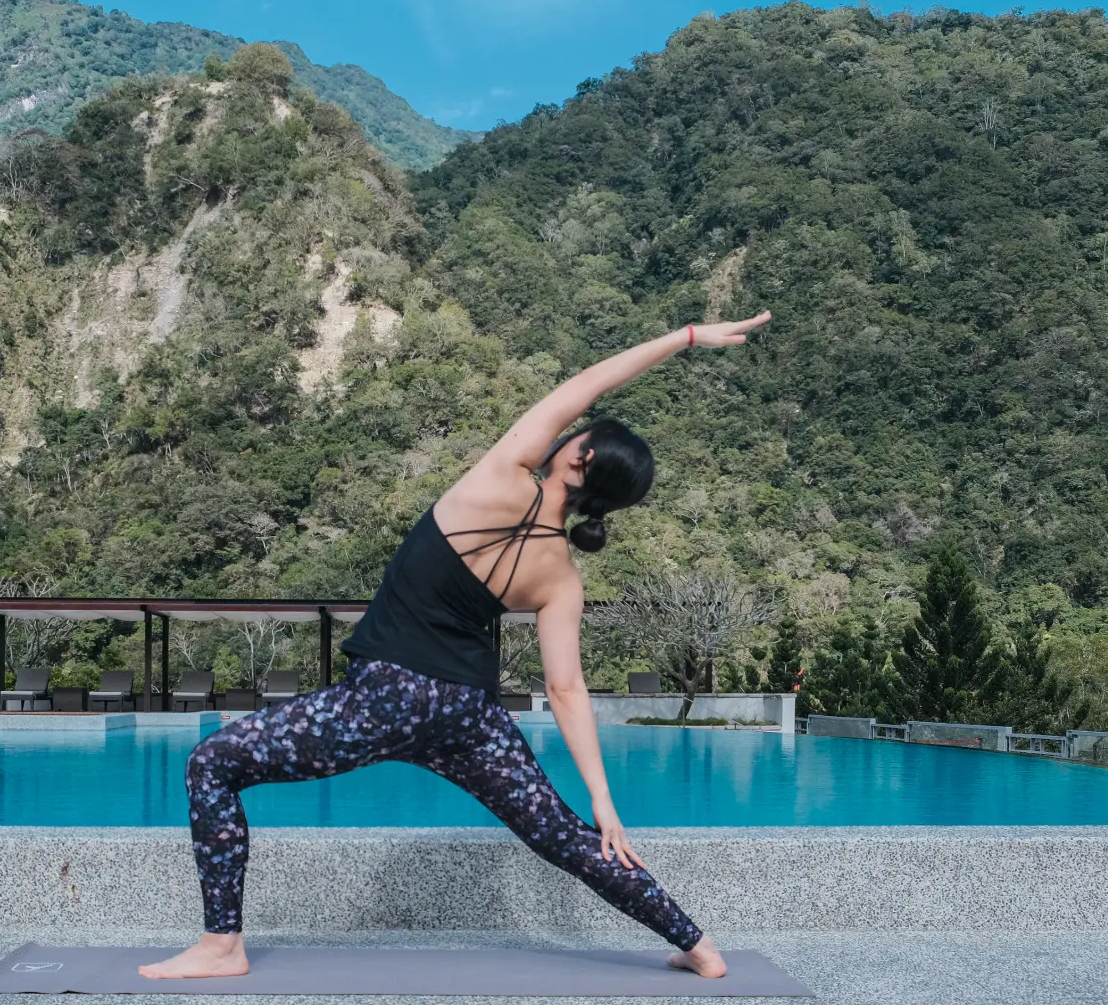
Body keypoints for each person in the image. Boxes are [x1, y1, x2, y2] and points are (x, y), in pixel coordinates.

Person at [139, 312, 772, 982]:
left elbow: (582, 385)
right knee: (563, 837)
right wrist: (603, 801)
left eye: (578, 435)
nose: (567, 430)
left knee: (212, 763)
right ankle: (696, 944)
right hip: (466, 714)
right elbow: (565, 689)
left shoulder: (500, 476)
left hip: (383, 697)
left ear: (580, 455)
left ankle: (221, 946)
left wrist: (684, 337)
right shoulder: (561, 575)